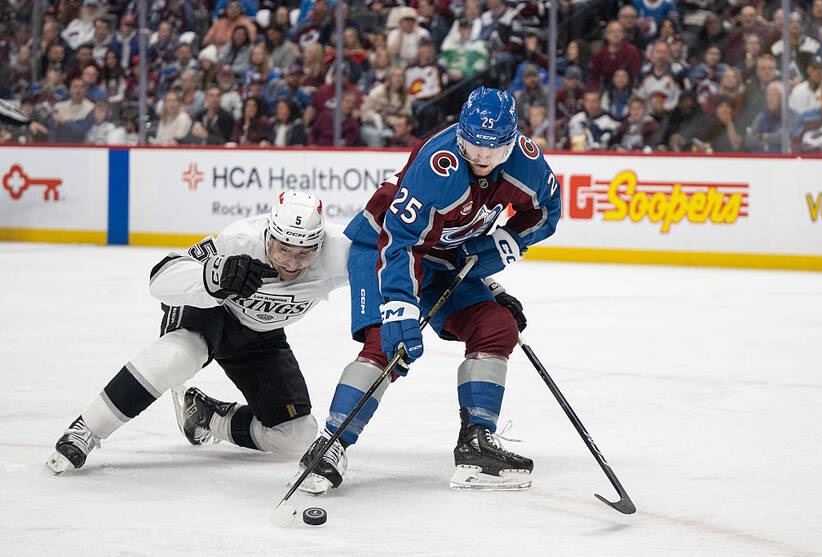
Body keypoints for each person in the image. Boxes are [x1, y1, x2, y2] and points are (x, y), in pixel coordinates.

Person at [294, 86, 562, 495]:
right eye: (473, 145)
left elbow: (546, 212)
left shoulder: (527, 163)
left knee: (496, 328)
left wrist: (503, 244)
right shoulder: (438, 166)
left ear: (512, 142)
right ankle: (331, 444)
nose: (482, 157)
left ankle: (477, 443)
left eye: (492, 149)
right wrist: (400, 307)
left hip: (445, 256)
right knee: (388, 344)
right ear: (460, 134)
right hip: (383, 247)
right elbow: (400, 243)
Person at [46, 192, 350, 474]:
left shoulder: (337, 253)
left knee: (296, 436)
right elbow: (161, 278)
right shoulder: (240, 239)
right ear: (269, 234)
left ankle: (207, 417)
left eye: (304, 253)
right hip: (211, 313)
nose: (291, 263)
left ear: (319, 245)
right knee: (178, 355)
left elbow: (379, 258)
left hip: (261, 335)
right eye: (283, 249)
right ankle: (87, 429)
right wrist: (213, 276)